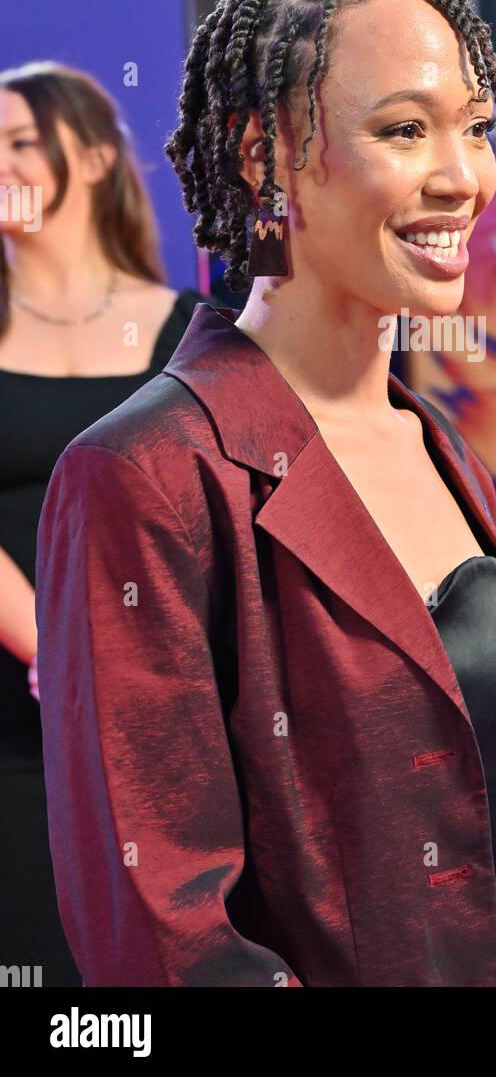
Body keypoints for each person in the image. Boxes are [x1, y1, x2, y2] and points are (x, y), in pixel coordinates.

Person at [34, 0, 496, 988]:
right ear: (263, 154)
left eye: (476, 129)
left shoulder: (439, 446)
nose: (462, 177)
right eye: (402, 129)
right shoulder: (145, 475)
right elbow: (163, 934)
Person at [0, 62, 209, 986]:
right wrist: (56, 646)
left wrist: (114, 664)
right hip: (18, 718)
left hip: (156, 713)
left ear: (89, 157)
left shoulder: (187, 328)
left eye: (16, 141)